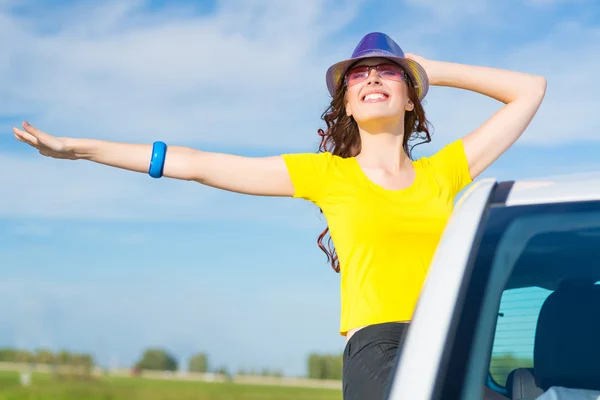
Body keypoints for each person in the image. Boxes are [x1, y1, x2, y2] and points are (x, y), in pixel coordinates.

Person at [13, 32, 546, 399]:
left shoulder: (446, 172)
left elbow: (530, 90)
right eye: (358, 76)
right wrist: (77, 149)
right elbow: (197, 164)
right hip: (379, 353)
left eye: (388, 72)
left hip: (455, 344)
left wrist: (428, 67)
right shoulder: (326, 176)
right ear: (347, 105)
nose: (373, 78)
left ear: (411, 98)